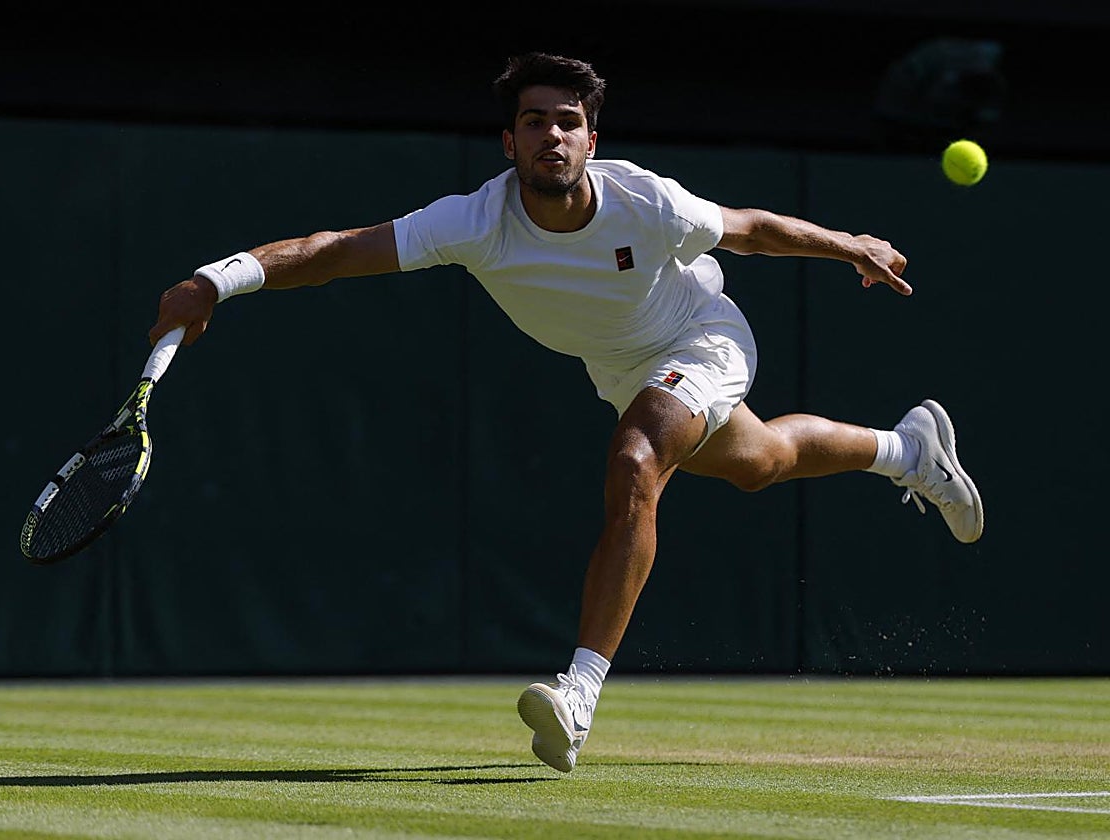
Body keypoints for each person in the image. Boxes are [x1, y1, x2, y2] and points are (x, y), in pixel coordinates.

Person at [149, 52, 983, 773]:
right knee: (758, 464)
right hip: (621, 368)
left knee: (635, 460)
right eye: (534, 121)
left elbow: (751, 229)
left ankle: (578, 694)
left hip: (702, 337)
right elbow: (337, 251)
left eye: (568, 121)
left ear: (592, 140)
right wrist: (217, 279)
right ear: (509, 143)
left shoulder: (645, 201)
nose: (552, 134)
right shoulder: (473, 221)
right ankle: (903, 451)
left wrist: (851, 246)